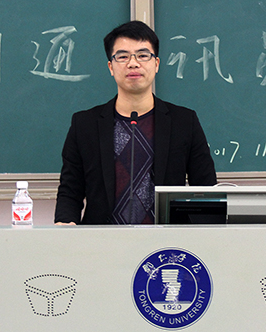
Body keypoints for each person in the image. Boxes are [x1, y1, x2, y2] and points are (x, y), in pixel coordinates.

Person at [54, 21, 217, 225]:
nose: (133, 63)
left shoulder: (184, 122)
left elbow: (206, 190)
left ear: (156, 64)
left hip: (166, 242)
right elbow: (70, 190)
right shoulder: (84, 124)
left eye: (142, 55)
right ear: (110, 67)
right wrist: (65, 225)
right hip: (100, 239)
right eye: (123, 56)